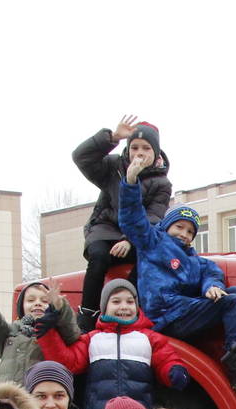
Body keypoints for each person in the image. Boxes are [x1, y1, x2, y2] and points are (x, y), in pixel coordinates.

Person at [118, 158, 236, 389]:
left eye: (190, 231)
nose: (184, 234)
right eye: (179, 227)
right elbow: (133, 220)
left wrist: (212, 286)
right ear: (167, 226)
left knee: (234, 294)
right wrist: (131, 182)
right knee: (231, 302)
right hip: (165, 314)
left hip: (182, 312)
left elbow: (211, 272)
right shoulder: (153, 242)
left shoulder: (193, 260)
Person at [36, 278, 187, 409]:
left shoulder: (149, 337)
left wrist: (174, 370)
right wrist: (47, 333)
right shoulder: (93, 339)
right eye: (116, 301)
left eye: (130, 302)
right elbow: (69, 362)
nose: (124, 307)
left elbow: (166, 358)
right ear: (104, 308)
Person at [72, 117, 172, 329]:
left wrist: (130, 240)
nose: (139, 153)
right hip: (105, 229)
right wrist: (112, 138)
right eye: (134, 147)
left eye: (146, 148)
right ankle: (88, 315)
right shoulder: (113, 167)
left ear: (155, 152)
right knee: (98, 257)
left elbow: (153, 217)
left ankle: (133, 311)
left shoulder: (162, 183)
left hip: (135, 237)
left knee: (149, 258)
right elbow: (81, 158)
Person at [0, 274, 80, 385]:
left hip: (39, 404)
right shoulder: (10, 333)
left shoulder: (56, 334)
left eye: (45, 300)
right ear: (21, 308)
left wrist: (59, 306)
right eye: (30, 300)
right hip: (8, 403)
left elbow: (72, 332)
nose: (37, 303)